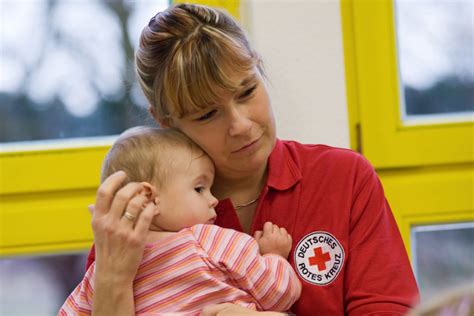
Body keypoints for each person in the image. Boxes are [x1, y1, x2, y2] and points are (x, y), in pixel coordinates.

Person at [87, 3, 420, 315]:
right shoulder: (140, 214)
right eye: (207, 115)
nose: (241, 126)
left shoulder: (342, 179)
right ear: (166, 121)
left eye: (246, 92)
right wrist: (113, 281)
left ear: (258, 67)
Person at [59, 127, 301, 315]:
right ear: (149, 198)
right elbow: (277, 293)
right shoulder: (208, 240)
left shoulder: (101, 271)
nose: (214, 200)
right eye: (199, 188)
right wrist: (274, 256)